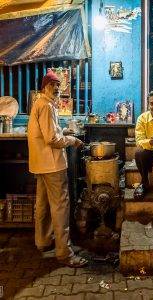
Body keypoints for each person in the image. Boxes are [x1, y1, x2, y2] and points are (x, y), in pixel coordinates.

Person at [28, 70, 88, 268]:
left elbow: (49, 131)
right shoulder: (46, 106)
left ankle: (43, 242)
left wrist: (63, 130)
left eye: (57, 85)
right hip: (52, 165)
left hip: (41, 164)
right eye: (51, 85)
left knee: (43, 205)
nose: (55, 88)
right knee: (61, 207)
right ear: (44, 87)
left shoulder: (41, 104)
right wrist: (73, 140)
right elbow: (52, 139)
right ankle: (65, 253)